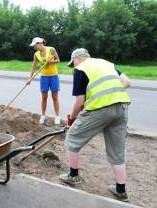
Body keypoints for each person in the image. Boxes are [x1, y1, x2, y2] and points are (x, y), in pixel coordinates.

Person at [59, 48, 131, 202]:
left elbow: (79, 101)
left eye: (73, 63)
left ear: (78, 58)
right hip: (121, 107)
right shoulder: (106, 63)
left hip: (100, 109)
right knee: (117, 150)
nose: (74, 67)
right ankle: (121, 190)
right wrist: (108, 94)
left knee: (72, 137)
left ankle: (73, 176)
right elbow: (127, 82)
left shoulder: (81, 68)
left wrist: (71, 119)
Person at [27, 37, 61, 125]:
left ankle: (57, 117)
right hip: (44, 77)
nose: (34, 48)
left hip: (54, 76)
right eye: (34, 46)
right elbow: (33, 66)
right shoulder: (36, 54)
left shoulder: (51, 49)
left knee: (55, 97)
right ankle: (43, 115)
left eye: (35, 46)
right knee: (44, 97)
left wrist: (50, 62)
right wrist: (30, 78)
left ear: (39, 43)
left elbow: (58, 60)